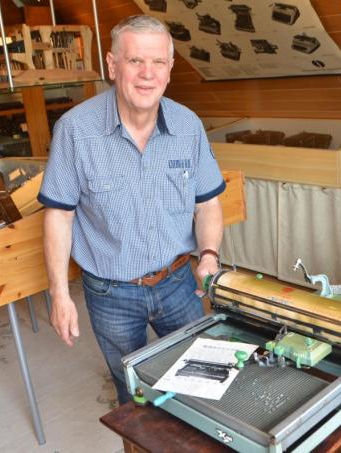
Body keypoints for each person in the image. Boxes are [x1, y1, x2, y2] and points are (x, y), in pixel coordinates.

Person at [38, 14, 225, 405]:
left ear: (170, 69)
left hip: (178, 283)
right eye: (135, 61)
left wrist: (208, 255)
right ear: (112, 65)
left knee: (206, 381)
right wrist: (59, 294)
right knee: (133, 392)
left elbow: (208, 202)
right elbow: (59, 214)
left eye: (158, 62)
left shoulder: (188, 126)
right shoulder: (75, 130)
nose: (147, 74)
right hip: (111, 293)